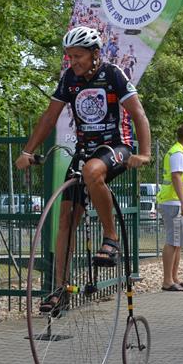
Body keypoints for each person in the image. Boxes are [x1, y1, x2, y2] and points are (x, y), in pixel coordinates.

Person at [15, 26, 152, 311]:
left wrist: (145, 153)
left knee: (92, 171)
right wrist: (28, 151)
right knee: (65, 219)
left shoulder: (113, 75)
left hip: (117, 146)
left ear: (94, 54)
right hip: (85, 151)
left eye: (78, 56)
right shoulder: (69, 80)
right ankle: (59, 289)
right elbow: (49, 117)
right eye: (69, 56)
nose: (72, 62)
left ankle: (111, 238)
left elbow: (138, 114)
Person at [156, 123, 183, 292]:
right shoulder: (178, 153)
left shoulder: (182, 153)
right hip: (174, 202)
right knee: (173, 242)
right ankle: (167, 281)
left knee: (177, 243)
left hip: (176, 202)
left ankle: (174, 278)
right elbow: (176, 177)